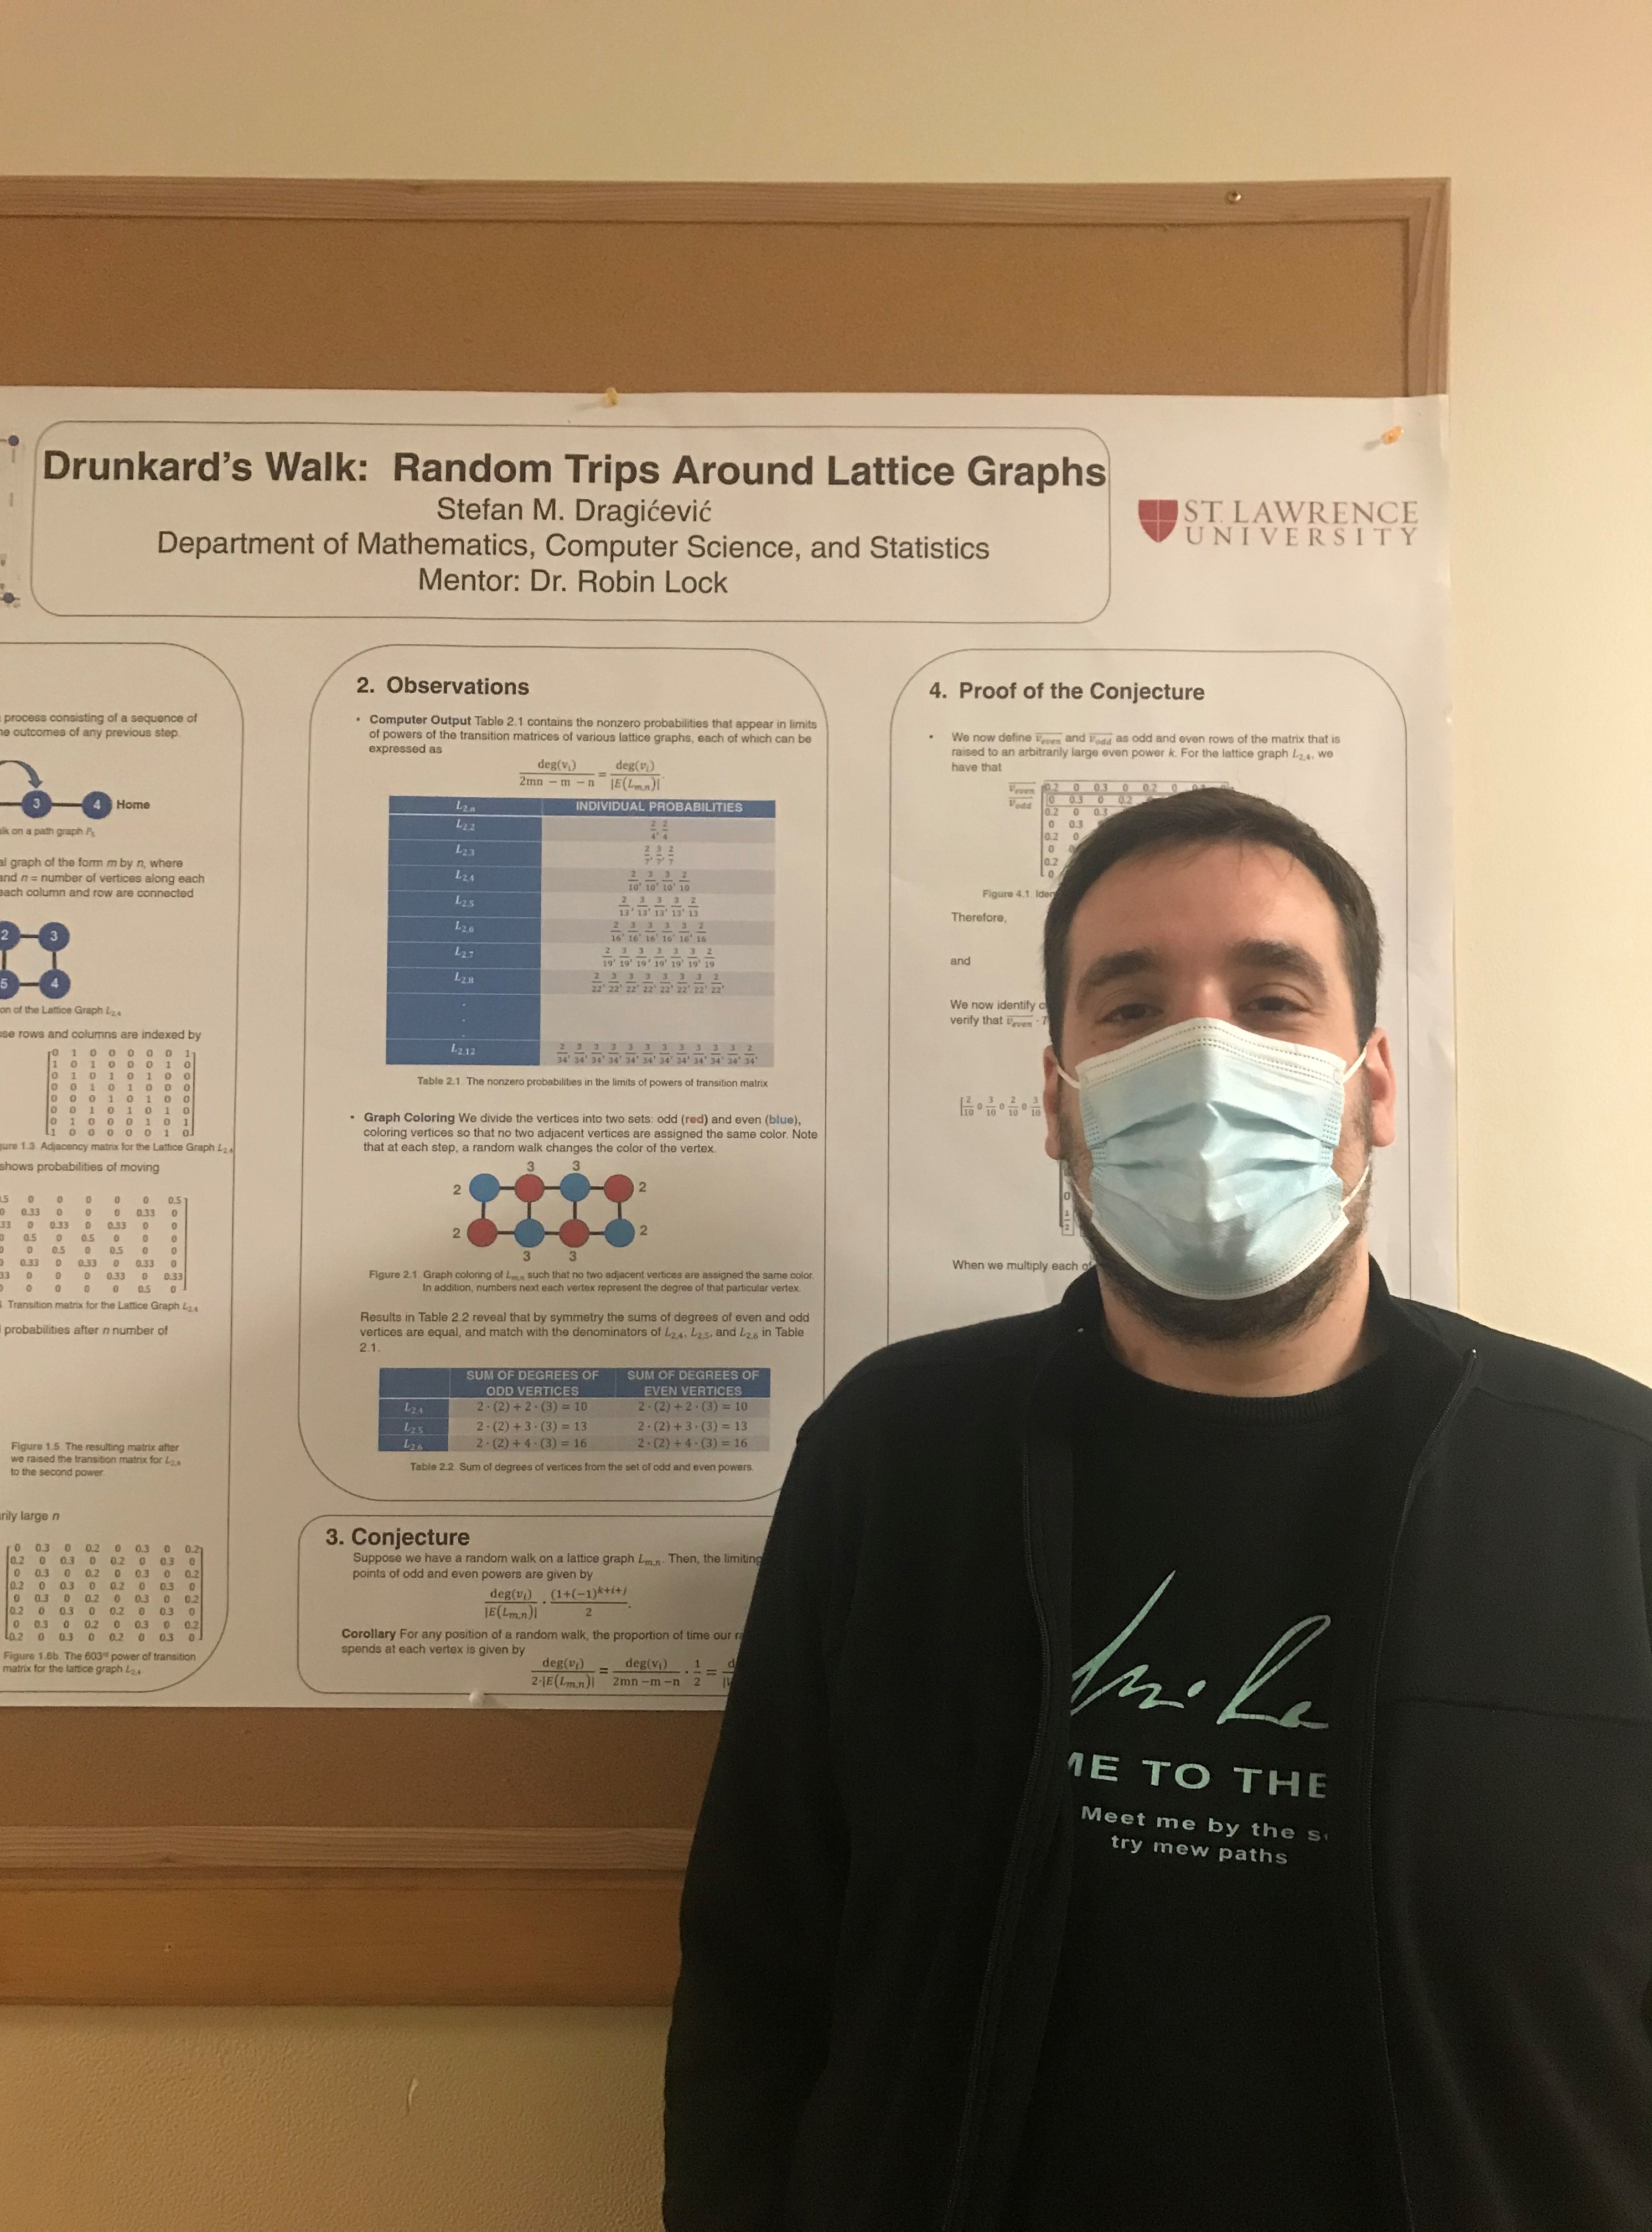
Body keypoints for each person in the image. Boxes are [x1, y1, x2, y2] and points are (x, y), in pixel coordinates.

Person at [663, 787, 1652, 2232]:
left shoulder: (1610, 1486)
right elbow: (757, 1984)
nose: (1205, 1055)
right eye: (1131, 1010)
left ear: (1375, 1084)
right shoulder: (895, 1462)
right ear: (1058, 1101)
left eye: (1273, 1000)